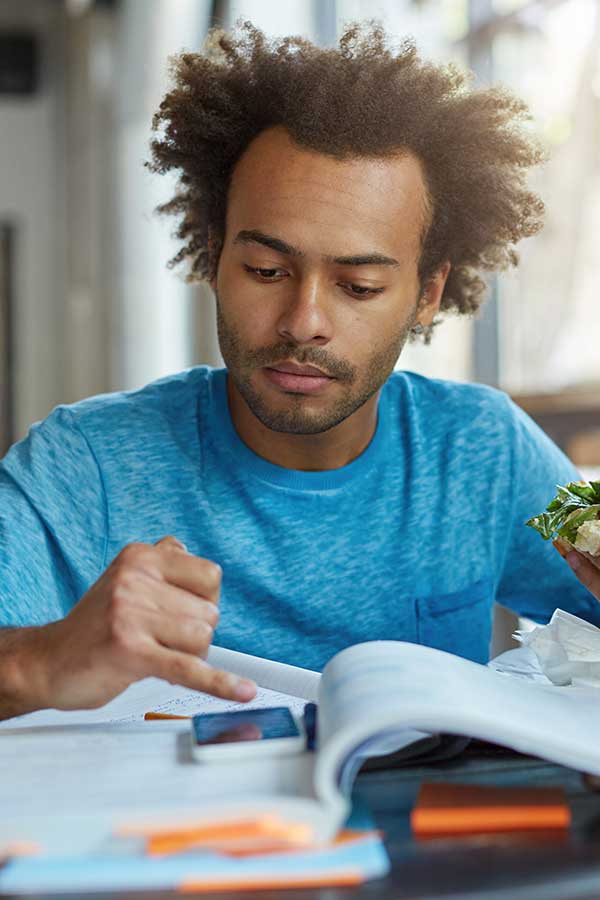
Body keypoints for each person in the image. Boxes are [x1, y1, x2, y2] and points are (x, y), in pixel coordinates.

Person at [1, 20, 598, 722]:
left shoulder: (484, 447)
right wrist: (39, 663)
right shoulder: (82, 466)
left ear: (427, 295)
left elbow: (589, 534)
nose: (302, 320)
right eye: (266, 270)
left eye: (359, 286)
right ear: (214, 260)